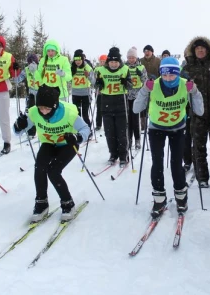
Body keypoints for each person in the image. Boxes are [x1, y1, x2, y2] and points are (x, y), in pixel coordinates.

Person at [133, 57, 203, 216]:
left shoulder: (186, 85)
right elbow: (136, 109)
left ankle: (181, 197)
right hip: (156, 128)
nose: (168, 78)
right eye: (165, 75)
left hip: (177, 128)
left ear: (177, 74)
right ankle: (159, 199)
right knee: (157, 162)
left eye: (172, 75)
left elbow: (200, 111)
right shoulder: (154, 85)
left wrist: (195, 92)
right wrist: (145, 89)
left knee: (176, 163)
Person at [13, 85, 90, 222]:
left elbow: (85, 129)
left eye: (47, 108)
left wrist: (77, 137)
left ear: (55, 106)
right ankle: (41, 202)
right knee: (40, 167)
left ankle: (68, 203)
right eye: (40, 108)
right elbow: (18, 132)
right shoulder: (34, 112)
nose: (43, 112)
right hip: (49, 143)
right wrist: (19, 125)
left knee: (53, 171)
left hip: (67, 144)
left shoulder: (68, 113)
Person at [182, 36, 210, 188]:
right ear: (193, 51)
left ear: (208, 50)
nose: (200, 50)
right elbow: (180, 90)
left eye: (203, 48)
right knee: (198, 147)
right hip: (196, 114)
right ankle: (202, 177)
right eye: (197, 48)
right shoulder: (187, 69)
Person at [94, 47, 132, 167]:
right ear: (108, 62)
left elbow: (131, 86)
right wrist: (98, 84)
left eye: (116, 62)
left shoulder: (125, 69)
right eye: (111, 62)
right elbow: (95, 85)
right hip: (106, 104)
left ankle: (123, 155)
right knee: (109, 133)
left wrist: (126, 82)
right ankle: (113, 154)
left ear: (119, 62)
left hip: (121, 104)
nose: (114, 64)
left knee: (121, 132)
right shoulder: (101, 70)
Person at [125, 47, 147, 149]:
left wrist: (141, 75)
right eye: (129, 57)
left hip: (137, 95)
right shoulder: (124, 67)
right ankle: (129, 139)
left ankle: (137, 139)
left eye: (133, 57)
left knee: (135, 120)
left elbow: (145, 81)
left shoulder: (141, 67)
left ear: (136, 57)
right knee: (128, 119)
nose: (131, 59)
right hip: (126, 95)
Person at [70, 49, 94, 137]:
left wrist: (89, 76)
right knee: (77, 114)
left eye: (79, 60)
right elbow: (68, 78)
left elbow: (93, 81)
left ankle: (89, 131)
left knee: (85, 114)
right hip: (75, 93)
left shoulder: (87, 67)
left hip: (85, 94)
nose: (78, 62)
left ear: (82, 59)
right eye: (76, 60)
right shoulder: (72, 67)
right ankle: (79, 131)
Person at [95, 54, 107, 131]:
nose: (102, 63)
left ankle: (107, 124)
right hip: (99, 92)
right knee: (99, 109)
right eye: (101, 61)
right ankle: (98, 124)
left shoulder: (108, 69)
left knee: (106, 109)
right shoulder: (97, 69)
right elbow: (94, 79)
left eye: (104, 61)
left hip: (106, 92)